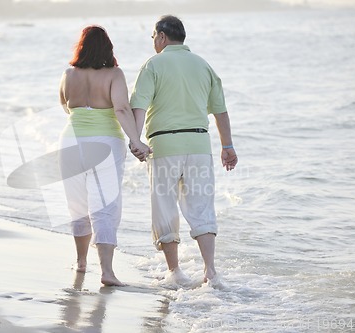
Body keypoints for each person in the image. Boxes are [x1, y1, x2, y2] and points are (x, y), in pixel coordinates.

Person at [129, 15, 238, 287]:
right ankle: (210, 271)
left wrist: (136, 140)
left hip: (164, 145)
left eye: (153, 36)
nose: (153, 41)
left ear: (162, 37)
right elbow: (220, 111)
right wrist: (227, 146)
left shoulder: (153, 65)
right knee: (202, 208)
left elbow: (139, 107)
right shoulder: (203, 65)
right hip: (200, 145)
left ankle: (175, 271)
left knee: (165, 208)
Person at [59, 25, 150, 286]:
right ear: (108, 47)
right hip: (106, 145)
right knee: (104, 208)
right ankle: (107, 272)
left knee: (77, 206)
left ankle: (81, 262)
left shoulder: (68, 74)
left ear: (81, 47)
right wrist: (136, 141)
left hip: (71, 143)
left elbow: (65, 106)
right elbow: (121, 108)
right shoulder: (114, 74)